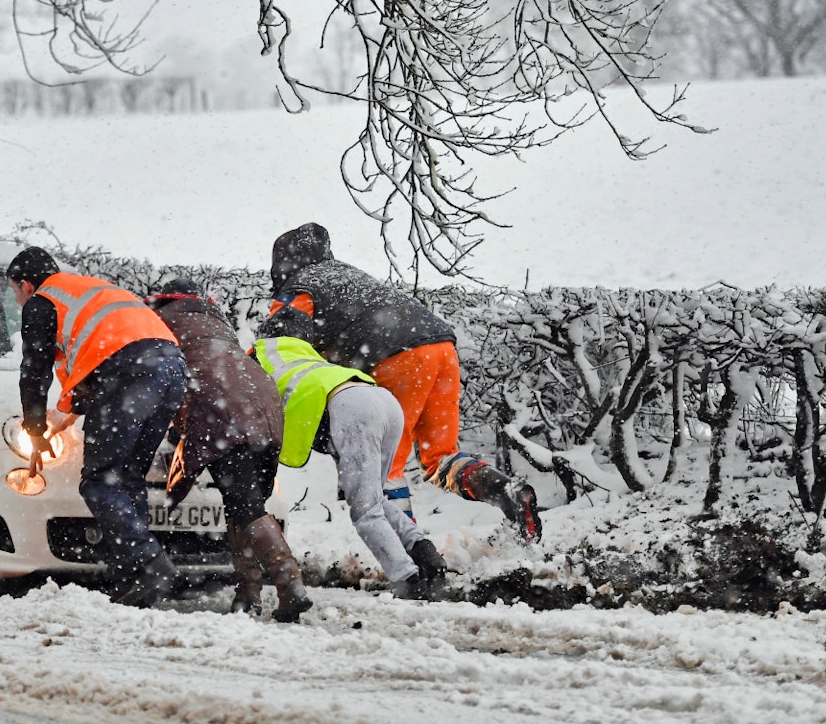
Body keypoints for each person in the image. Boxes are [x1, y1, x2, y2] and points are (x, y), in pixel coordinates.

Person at [258, 222, 541, 542]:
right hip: (442, 348)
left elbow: (278, 348)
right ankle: (507, 491)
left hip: (395, 357)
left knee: (384, 469)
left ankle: (414, 554)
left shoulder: (300, 288)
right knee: (439, 459)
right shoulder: (351, 277)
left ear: (282, 264)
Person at [7, 246, 188, 608]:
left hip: (132, 372)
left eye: (14, 292)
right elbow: (99, 359)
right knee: (127, 476)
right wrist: (64, 417)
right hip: (172, 368)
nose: (18, 300)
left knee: (98, 480)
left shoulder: (42, 301)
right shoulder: (90, 289)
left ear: (26, 285)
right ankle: (131, 579)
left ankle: (152, 563)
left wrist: (34, 428)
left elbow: (35, 371)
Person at [146, 278, 313, 622]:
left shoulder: (161, 321)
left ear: (163, 301)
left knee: (245, 504)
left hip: (222, 408)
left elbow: (165, 375)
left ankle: (290, 584)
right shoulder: (216, 320)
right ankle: (247, 595)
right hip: (264, 403)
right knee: (245, 503)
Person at [252, 335, 449, 601]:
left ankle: (407, 580)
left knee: (365, 512)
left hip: (351, 409)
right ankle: (426, 554)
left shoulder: (259, 371)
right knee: (375, 498)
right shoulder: (301, 358)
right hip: (384, 400)